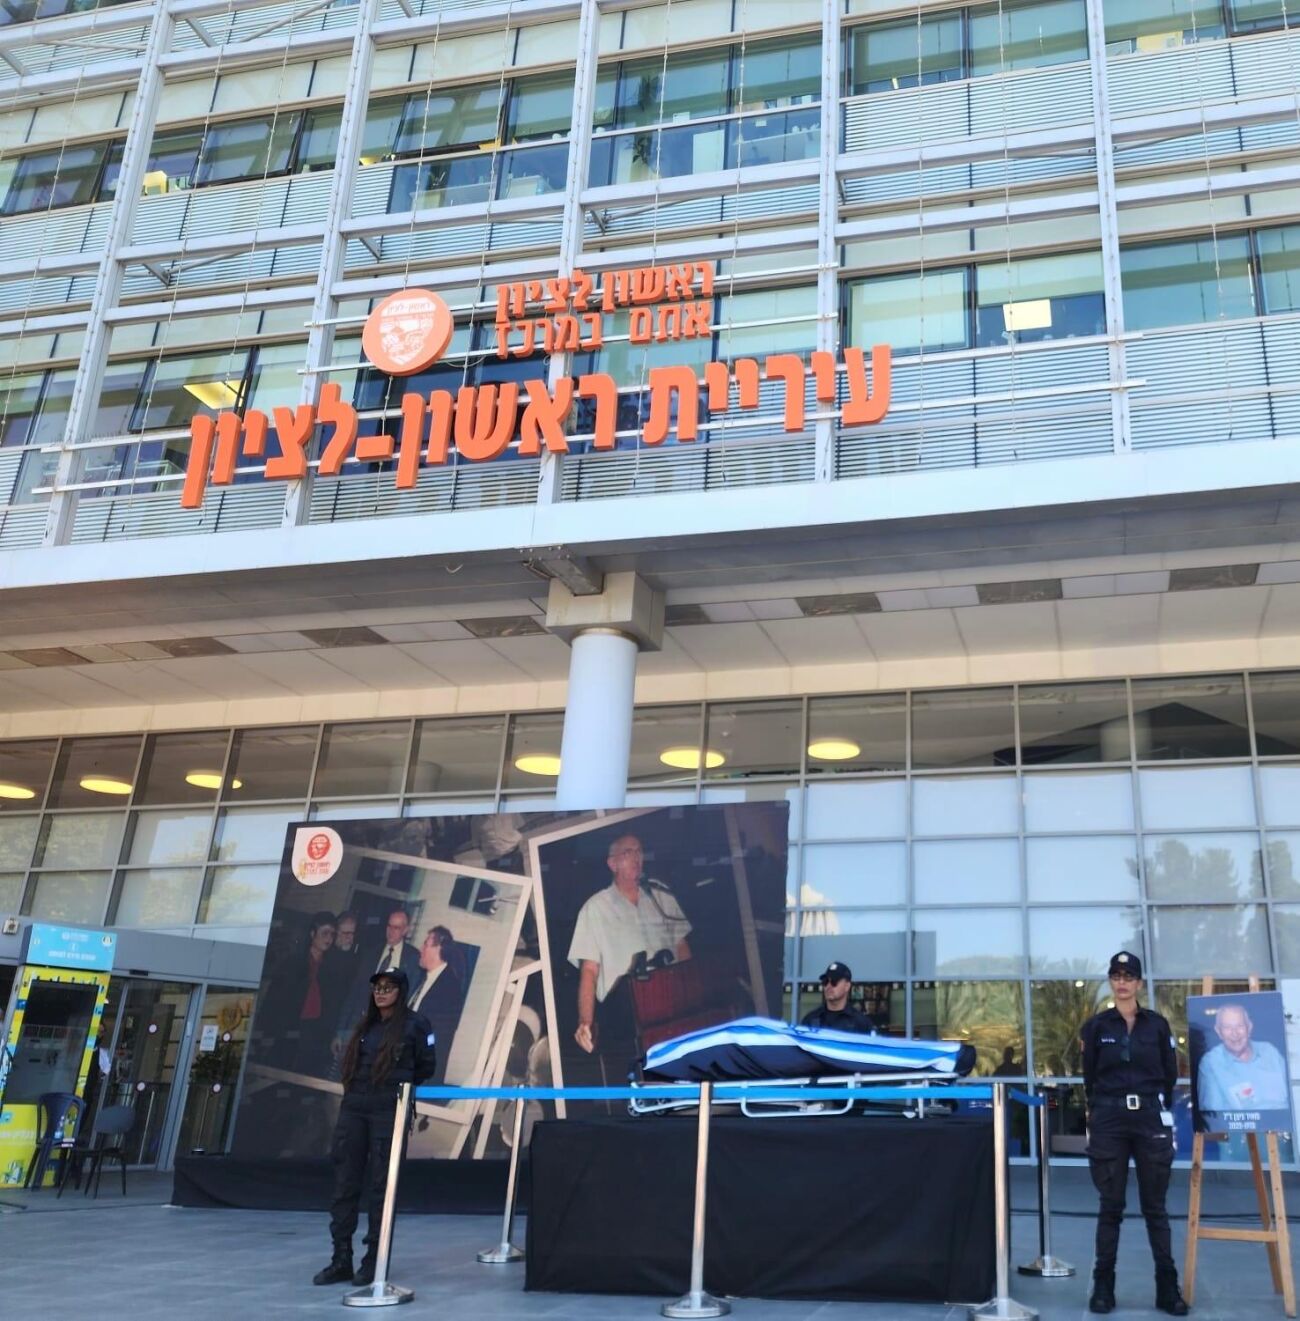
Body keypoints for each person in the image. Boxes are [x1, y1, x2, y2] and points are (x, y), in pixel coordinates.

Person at [313, 969, 437, 1289]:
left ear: (401, 990)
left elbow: (426, 1066)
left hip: (389, 1108)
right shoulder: (365, 1024)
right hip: (355, 1106)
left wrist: (396, 1087)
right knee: (345, 1185)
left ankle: (373, 1261)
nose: (380, 993)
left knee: (383, 1189)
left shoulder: (417, 1024)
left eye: (388, 987)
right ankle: (341, 1259)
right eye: (376, 987)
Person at [1080, 950, 1188, 1316]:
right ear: (1111, 981)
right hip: (1110, 1119)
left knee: (1155, 1207)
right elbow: (1090, 1076)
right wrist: (1100, 1111)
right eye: (1117, 976)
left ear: (1139, 983)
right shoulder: (1096, 1027)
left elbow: (1169, 1075)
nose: (1122, 982)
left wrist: (1152, 1107)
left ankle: (1167, 1288)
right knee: (1110, 1206)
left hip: (1149, 1119)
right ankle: (1103, 1286)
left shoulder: (1157, 1026)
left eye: (1129, 977)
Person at [568, 833, 692, 1060]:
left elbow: (681, 945)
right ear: (612, 864)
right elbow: (589, 971)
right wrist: (585, 1021)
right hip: (627, 1015)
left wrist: (692, 993)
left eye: (639, 851)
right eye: (628, 852)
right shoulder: (595, 908)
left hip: (674, 1003)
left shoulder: (660, 894)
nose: (637, 857)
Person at [1196, 1002, 1289, 1114]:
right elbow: (1215, 1116)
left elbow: (1289, 1099)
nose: (1235, 1033)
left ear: (1249, 1028)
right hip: (1238, 1125)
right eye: (1227, 1027)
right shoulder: (1211, 1063)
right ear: (1218, 1031)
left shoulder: (1270, 1052)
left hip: (1279, 1123)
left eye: (1240, 1026)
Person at [408, 925, 465, 1085]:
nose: (421, 949)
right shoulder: (425, 978)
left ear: (437, 949)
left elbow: (438, 1036)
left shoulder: (449, 988)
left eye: (425, 944)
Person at [801, 962, 874, 1032]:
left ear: (847, 986)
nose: (828, 986)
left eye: (834, 982)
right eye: (825, 982)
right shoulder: (810, 1019)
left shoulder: (861, 1024)